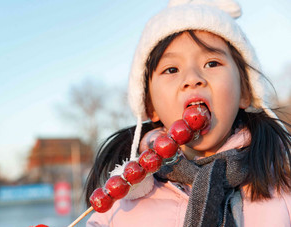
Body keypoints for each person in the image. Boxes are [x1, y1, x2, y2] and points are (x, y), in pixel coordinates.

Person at [84, 0, 291, 226]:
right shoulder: (119, 209)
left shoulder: (282, 186)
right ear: (150, 106)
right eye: (171, 69)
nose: (192, 79)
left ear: (245, 91)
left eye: (212, 63)